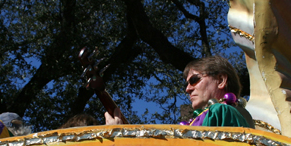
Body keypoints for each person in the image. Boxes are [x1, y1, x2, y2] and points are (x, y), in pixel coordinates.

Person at [104, 55, 254, 128]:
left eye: (194, 80)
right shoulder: (223, 114)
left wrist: (121, 138)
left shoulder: (220, 111)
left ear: (221, 80)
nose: (188, 89)